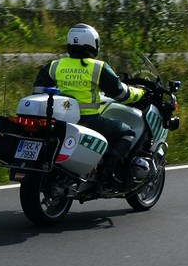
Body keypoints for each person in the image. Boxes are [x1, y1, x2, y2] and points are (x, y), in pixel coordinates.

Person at [32, 23, 146, 186]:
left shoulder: (55, 65)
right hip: (89, 121)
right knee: (127, 132)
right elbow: (122, 94)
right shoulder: (98, 67)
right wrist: (141, 93)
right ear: (93, 44)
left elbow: (38, 91)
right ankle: (109, 172)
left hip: (61, 121)